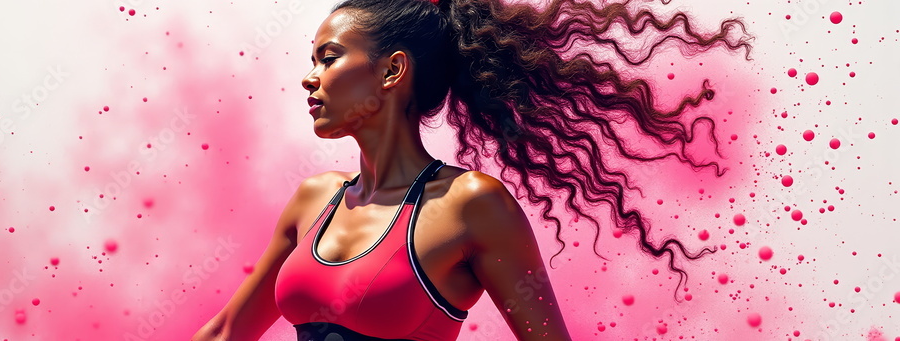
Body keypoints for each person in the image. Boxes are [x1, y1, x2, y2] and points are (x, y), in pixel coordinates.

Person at [193, 0, 750, 340]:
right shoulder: (312, 201)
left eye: (329, 57)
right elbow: (224, 334)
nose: (309, 78)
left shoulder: (470, 205)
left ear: (392, 70)